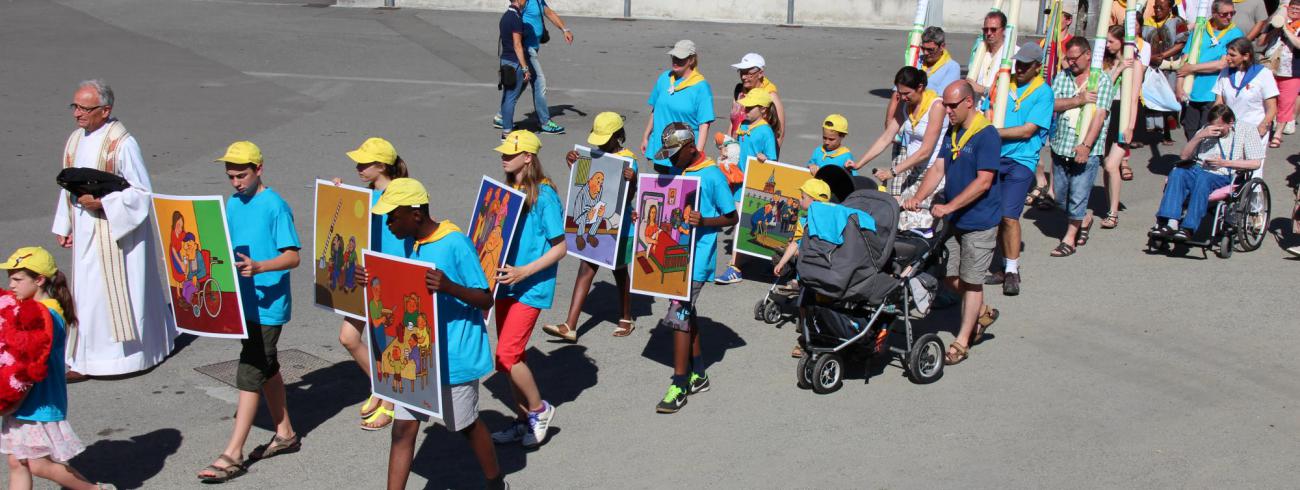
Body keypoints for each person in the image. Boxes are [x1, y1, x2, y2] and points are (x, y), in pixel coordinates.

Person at [359, 178, 505, 490]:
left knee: (465, 426)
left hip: (454, 357)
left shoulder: (455, 243)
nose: (387, 223)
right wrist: (371, 281)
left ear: (415, 214)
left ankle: (495, 482)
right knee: (402, 431)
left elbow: (485, 297)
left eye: (392, 216)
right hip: (416, 357)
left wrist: (449, 287)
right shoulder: (411, 242)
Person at [51, 79, 177, 380]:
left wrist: (104, 204)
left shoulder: (122, 143)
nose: (77, 114)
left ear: (105, 110)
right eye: (75, 106)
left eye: (84, 108)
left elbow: (142, 193)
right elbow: (69, 185)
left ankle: (115, 360)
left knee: (105, 297)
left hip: (116, 234)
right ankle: (84, 357)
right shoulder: (76, 139)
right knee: (85, 294)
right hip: (85, 230)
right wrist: (65, 222)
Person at [196, 142, 301, 483]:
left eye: (242, 175)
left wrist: (261, 267)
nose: (236, 182)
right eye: (231, 176)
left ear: (259, 169)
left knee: (250, 371)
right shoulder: (233, 203)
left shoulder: (276, 206)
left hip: (268, 307)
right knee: (266, 365)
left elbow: (292, 256)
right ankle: (284, 433)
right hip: (242, 303)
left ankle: (234, 452)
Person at [903, 81, 1001, 366]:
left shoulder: (986, 135)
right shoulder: (954, 130)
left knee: (971, 281)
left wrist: (948, 206)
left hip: (978, 220)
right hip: (954, 218)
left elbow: (984, 182)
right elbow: (939, 167)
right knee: (948, 274)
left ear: (969, 102)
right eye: (945, 105)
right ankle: (980, 311)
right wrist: (918, 196)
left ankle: (961, 340)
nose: (946, 110)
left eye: (952, 105)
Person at [0, 247, 113, 490]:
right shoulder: (32, 308)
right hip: (26, 401)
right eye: (10, 277)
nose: (11, 284)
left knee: (37, 464)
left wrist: (12, 397)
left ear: (39, 280)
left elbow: (28, 361)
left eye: (18, 279)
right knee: (16, 461)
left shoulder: (46, 314)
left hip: (39, 401)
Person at [651, 123, 738, 413]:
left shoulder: (712, 176)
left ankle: (680, 383)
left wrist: (705, 222)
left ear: (690, 149)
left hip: (697, 259)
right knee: (687, 313)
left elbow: (732, 217)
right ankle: (699, 373)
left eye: (674, 155)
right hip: (675, 254)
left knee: (679, 314)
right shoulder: (680, 168)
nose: (671, 160)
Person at [488, 130, 565, 448]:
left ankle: (540, 409)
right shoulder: (508, 190)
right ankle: (523, 421)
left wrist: (523, 272)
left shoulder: (544, 196)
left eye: (510, 153)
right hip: (506, 284)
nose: (503, 156)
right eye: (503, 152)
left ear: (528, 157)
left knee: (507, 354)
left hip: (529, 285)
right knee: (507, 357)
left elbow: (560, 248)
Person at [330, 137, 411, 431]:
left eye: (364, 163)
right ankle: (382, 388)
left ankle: (391, 403)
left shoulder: (401, 193)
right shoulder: (366, 195)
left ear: (382, 165)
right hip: (365, 277)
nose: (358, 167)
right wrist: (340, 196)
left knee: (387, 345)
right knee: (349, 338)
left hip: (391, 276)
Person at [542, 112, 639, 341]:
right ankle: (570, 325)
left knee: (620, 272)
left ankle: (626, 317)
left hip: (620, 226)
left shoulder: (628, 160)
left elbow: (629, 197)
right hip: (593, 222)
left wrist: (632, 180)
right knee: (586, 268)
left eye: (605, 138)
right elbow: (582, 185)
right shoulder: (593, 156)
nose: (600, 143)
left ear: (617, 137)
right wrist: (573, 163)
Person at [987, 44, 1054, 296]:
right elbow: (988, 110)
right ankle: (1003, 266)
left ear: (1038, 67)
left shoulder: (1043, 93)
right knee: (994, 216)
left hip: (1021, 161)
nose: (1020, 68)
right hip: (994, 157)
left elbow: (1028, 130)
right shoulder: (1003, 82)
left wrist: (993, 133)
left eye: (1026, 64)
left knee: (1009, 215)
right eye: (1019, 63)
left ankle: (1013, 271)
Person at [1150, 104, 1263, 240]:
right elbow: (1184, 157)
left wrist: (1225, 163)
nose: (1216, 130)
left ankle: (1188, 228)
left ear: (1231, 122)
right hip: (1198, 169)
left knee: (1203, 178)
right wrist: (1200, 136)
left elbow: (1256, 163)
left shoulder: (1247, 130)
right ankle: (1170, 222)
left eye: (1220, 126)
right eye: (1212, 126)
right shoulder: (1205, 129)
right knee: (1177, 173)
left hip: (1223, 173)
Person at [1047, 37, 1117, 257]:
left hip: (1087, 149)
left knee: (1078, 194)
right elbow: (1053, 104)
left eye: (1074, 58)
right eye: (1068, 59)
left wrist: (1086, 145)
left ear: (1088, 55)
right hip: (1061, 146)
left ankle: (1069, 238)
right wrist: (1078, 100)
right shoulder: (1063, 77)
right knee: (1060, 197)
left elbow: (1100, 115)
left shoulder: (1103, 80)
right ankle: (1084, 218)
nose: (1071, 63)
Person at [856, 66, 947, 203]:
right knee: (901, 217)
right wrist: (859, 164)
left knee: (917, 222)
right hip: (912, 169)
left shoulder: (936, 106)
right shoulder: (905, 105)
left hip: (933, 172)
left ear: (920, 87)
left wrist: (892, 172)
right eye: (900, 93)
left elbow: (925, 151)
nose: (903, 98)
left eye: (907, 93)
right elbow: (886, 138)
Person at [715, 88, 778, 285]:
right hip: (737, 180)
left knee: (742, 223)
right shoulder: (743, 124)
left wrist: (765, 159)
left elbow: (773, 161)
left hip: (752, 183)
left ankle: (735, 267)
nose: (746, 110)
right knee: (740, 223)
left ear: (763, 110)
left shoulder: (765, 131)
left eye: (751, 108)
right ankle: (747, 259)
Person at [492, 0, 572, 135]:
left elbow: (550, 13)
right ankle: (544, 122)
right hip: (526, 51)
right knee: (539, 82)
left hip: (532, 48)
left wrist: (565, 29)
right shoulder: (524, 3)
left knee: (521, 84)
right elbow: (515, 21)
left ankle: (501, 117)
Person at [1099, 24, 1149, 230]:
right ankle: (1109, 202)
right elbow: (1102, 88)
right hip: (1106, 113)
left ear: (1121, 41)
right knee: (1105, 164)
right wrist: (1117, 69)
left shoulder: (1136, 65)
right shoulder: (1107, 63)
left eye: (1111, 41)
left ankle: (1113, 212)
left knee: (1112, 164)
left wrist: (1129, 126)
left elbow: (1134, 97)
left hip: (1123, 114)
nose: (1108, 45)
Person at [1177, 0, 1245, 140]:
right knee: (1189, 129)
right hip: (1191, 90)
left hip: (1213, 92)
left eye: (1232, 13)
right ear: (1214, 14)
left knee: (1208, 132)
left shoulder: (1235, 33)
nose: (1229, 17)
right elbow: (1185, 59)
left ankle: (1204, 161)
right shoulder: (1200, 29)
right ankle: (1193, 159)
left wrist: (1192, 68)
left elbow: (1222, 64)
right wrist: (1179, 86)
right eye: (1224, 14)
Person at [642, 40, 714, 168]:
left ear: (691, 60)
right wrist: (646, 136)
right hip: (660, 149)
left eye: (681, 58)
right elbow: (655, 110)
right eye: (674, 57)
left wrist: (697, 155)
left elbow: (704, 124)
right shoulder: (664, 78)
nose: (675, 61)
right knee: (658, 187)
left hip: (682, 155)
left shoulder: (701, 87)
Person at [1213, 37, 1279, 149]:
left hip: (1253, 130)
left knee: (1249, 165)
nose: (1227, 58)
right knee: (1226, 164)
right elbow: (1219, 103)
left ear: (1246, 56)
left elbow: (1272, 108)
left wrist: (1263, 126)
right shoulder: (1225, 73)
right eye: (1227, 54)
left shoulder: (1263, 74)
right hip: (1229, 129)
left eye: (1232, 55)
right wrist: (1216, 123)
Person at [1144, 0, 1188, 147]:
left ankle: (1167, 132)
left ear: (1170, 7)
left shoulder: (1178, 22)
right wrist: (1149, 58)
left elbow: (1181, 43)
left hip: (1169, 67)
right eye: (1155, 6)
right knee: (1151, 98)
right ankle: (1154, 128)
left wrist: (1162, 55)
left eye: (1161, 7)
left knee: (1168, 98)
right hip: (1151, 66)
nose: (1157, 9)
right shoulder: (1146, 23)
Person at [730, 53, 786, 148]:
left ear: (760, 73)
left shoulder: (771, 96)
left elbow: (779, 134)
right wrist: (728, 145)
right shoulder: (739, 91)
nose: (743, 77)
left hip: (758, 154)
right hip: (738, 150)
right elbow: (733, 123)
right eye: (742, 72)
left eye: (749, 73)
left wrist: (770, 160)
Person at [497, 0, 533, 139]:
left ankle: (507, 126)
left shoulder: (506, 16)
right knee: (510, 98)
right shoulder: (515, 18)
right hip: (514, 62)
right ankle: (507, 131)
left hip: (506, 60)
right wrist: (525, 68)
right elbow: (517, 45)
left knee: (507, 95)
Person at [1265, 0, 1300, 139]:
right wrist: (1275, 28)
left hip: (1291, 71)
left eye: (1299, 9)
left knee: (1286, 102)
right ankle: (1266, 128)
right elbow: (1262, 42)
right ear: (1288, 8)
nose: (1295, 11)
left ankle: (1277, 135)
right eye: (1293, 8)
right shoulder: (1277, 21)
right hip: (1271, 68)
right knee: (1268, 99)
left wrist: (1286, 29)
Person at [969, 11, 1009, 110]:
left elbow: (1011, 90)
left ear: (1003, 30)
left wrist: (983, 90)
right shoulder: (979, 51)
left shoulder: (1011, 53)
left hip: (997, 111)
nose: (989, 33)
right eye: (985, 30)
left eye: (993, 29)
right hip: (977, 110)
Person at [919, 27, 961, 94]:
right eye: (923, 48)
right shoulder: (917, 60)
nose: (925, 53)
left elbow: (942, 96)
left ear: (942, 47)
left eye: (930, 50)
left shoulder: (952, 67)